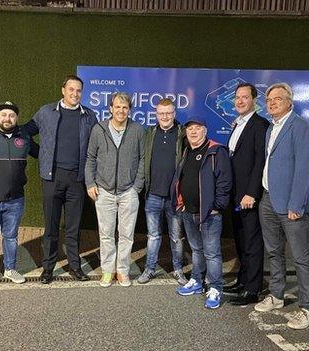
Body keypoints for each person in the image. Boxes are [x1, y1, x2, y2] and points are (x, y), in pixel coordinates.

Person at [254, 82, 309, 330]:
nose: (272, 103)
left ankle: (308, 308)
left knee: (301, 258)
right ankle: (277, 296)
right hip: (269, 200)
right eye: (269, 99)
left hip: (291, 204)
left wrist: (296, 204)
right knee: (273, 252)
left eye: (277, 99)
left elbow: (305, 170)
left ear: (289, 101)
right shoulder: (271, 128)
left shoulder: (301, 127)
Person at [24, 75, 98, 284]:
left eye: (79, 91)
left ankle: (75, 267)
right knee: (51, 227)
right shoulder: (46, 112)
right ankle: (48, 268)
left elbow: (97, 145)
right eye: (71, 89)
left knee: (73, 228)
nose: (75, 94)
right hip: (52, 178)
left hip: (77, 179)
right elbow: (24, 132)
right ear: (63, 90)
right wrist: (41, 154)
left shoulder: (88, 116)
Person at [0, 101, 38, 289]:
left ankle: (10, 269)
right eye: (3, 114)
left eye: (11, 115)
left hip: (15, 200)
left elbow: (42, 153)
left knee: (11, 237)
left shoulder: (24, 137)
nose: (7, 118)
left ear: (16, 118)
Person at [85, 92, 145, 287]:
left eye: (125, 107)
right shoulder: (98, 129)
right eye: (117, 107)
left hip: (129, 192)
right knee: (106, 234)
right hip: (104, 191)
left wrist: (136, 187)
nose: (121, 111)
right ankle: (108, 270)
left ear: (129, 110)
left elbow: (143, 159)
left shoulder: (137, 130)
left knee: (127, 235)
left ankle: (123, 271)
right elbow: (90, 159)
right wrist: (91, 183)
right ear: (110, 108)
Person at [171, 118, 232, 309]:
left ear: (205, 131)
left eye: (198, 129)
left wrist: (217, 205)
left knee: (212, 253)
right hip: (188, 212)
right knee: (197, 250)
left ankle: (215, 287)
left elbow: (225, 180)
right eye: (190, 129)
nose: (193, 132)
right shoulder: (187, 151)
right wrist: (180, 203)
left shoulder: (216, 151)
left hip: (209, 214)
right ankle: (197, 281)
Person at [224, 83, 270, 306]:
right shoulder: (238, 124)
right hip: (235, 195)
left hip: (248, 197)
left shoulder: (260, 125)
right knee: (241, 241)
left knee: (252, 242)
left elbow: (260, 161)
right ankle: (243, 281)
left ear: (254, 100)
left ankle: (253, 289)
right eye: (237, 97)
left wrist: (251, 193)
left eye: (245, 97)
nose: (240, 101)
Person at [138, 98, 187, 285]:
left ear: (174, 114)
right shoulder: (149, 133)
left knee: (176, 237)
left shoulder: (183, 134)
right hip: (153, 195)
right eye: (161, 113)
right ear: (156, 115)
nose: (165, 116)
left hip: (175, 197)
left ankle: (178, 270)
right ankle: (149, 269)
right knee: (153, 236)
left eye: (168, 113)